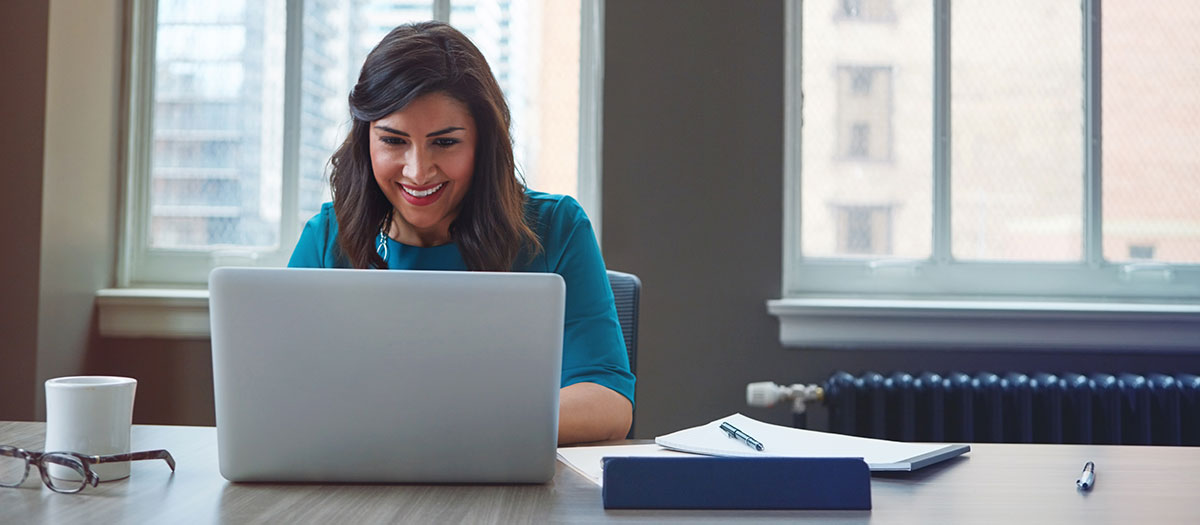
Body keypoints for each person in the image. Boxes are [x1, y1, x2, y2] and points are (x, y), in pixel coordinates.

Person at [287, 21, 634, 444]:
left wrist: (455, 429)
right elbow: (282, 392)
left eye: (445, 143)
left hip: (511, 494)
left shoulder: (557, 228)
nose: (417, 171)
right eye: (393, 141)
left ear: (482, 144)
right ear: (366, 142)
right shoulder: (327, 237)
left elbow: (608, 401)